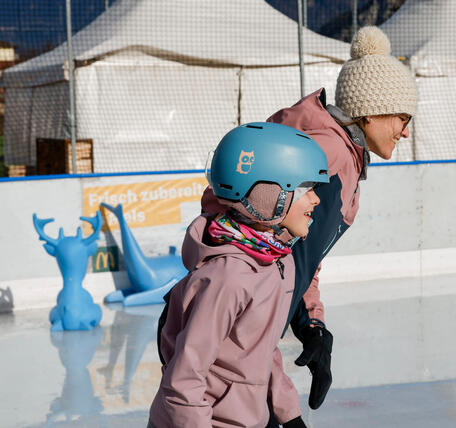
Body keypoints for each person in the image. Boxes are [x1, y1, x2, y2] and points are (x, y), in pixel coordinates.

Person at [200, 25, 417, 427]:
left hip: (252, 355)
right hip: (232, 360)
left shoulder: (347, 158)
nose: (406, 131)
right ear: (371, 112)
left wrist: (311, 322)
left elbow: (301, 254)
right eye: (402, 118)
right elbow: (261, 254)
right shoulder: (331, 154)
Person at [149, 122, 329, 428]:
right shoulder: (228, 277)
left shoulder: (275, 260)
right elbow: (184, 379)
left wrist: (289, 414)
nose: (316, 199)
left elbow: (261, 350)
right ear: (269, 195)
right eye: (305, 189)